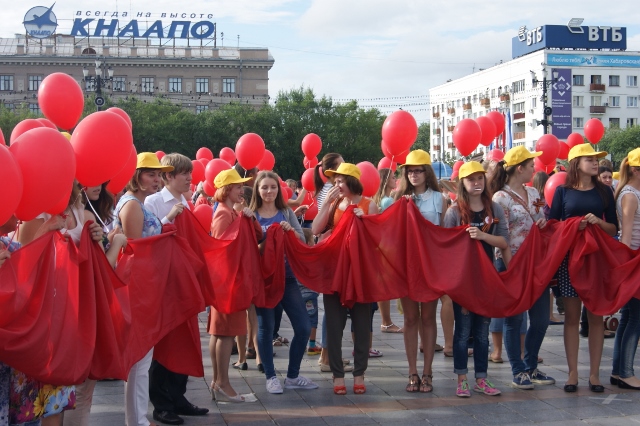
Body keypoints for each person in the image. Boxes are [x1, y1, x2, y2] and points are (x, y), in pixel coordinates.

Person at [18, 181, 106, 426]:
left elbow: (94, 265)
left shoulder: (82, 212)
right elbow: (23, 267)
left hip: (72, 312)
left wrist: (97, 240)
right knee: (41, 397)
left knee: (63, 394)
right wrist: (45, 230)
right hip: (44, 317)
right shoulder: (36, 215)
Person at [143, 153, 209, 425]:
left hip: (184, 282)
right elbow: (149, 239)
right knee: (165, 343)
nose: (189, 178)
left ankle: (178, 397)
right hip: (164, 284)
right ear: (169, 176)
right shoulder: (153, 202)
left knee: (186, 339)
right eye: (184, 174)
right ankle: (162, 404)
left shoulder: (187, 201)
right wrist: (169, 217)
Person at [549, 144, 618, 393]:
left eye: (596, 159)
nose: (595, 162)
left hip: (596, 259)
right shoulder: (562, 191)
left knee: (595, 317)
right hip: (570, 260)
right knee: (571, 317)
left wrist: (598, 222)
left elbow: (614, 229)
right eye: (589, 159)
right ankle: (572, 373)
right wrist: (572, 226)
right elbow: (552, 226)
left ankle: (595, 375)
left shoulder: (605, 191)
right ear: (576, 163)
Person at [113, 153, 174, 426]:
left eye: (159, 175)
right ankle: (136, 420)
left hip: (145, 286)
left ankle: (138, 418)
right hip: (137, 288)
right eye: (151, 174)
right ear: (136, 176)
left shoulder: (135, 203)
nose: (157, 180)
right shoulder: (132, 206)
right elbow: (135, 250)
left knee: (142, 358)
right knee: (139, 358)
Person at [489, 146, 556, 390]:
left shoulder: (533, 192)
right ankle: (518, 370)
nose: (534, 169)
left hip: (535, 262)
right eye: (531, 166)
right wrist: (512, 268)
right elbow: (502, 233)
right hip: (511, 262)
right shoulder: (500, 198)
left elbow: (543, 219)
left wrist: (543, 222)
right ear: (520, 168)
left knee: (540, 319)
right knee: (514, 318)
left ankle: (531, 365)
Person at [312, 163, 378, 395]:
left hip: (361, 274)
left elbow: (380, 239)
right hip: (334, 272)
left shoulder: (369, 204)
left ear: (352, 181)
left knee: (362, 325)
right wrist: (327, 205)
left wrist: (367, 220)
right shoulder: (334, 204)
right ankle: (337, 375)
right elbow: (315, 230)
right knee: (334, 324)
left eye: (340, 181)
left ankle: (359, 374)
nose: (335, 185)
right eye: (334, 181)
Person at [444, 161, 509, 398]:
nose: (477, 183)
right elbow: (446, 250)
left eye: (480, 178)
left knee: (482, 332)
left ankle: (482, 378)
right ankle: (462, 379)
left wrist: (482, 236)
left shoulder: (495, 209)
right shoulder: (454, 212)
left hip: (486, 279)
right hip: (463, 282)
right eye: (471, 179)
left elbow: (503, 242)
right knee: (462, 332)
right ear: (462, 182)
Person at [250, 171, 318, 394]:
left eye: (273, 187)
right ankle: (270, 376)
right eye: (264, 187)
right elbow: (249, 251)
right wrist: (267, 239)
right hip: (264, 279)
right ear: (258, 190)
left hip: (288, 277)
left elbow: (301, 238)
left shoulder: (286, 212)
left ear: (279, 190)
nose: (269, 191)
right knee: (267, 328)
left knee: (303, 326)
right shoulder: (252, 216)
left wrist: (289, 232)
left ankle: (292, 375)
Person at [392, 150, 447, 393]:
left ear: (427, 172)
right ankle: (412, 371)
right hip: (407, 265)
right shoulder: (399, 198)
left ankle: (428, 372)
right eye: (410, 170)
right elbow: (390, 231)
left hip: (431, 265)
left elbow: (444, 233)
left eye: (418, 170)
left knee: (428, 317)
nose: (414, 174)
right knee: (410, 318)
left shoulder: (439, 198)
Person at [208, 168, 262, 403]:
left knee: (219, 333)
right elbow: (222, 251)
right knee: (225, 334)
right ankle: (223, 383)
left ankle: (219, 382)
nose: (242, 190)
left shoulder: (229, 211)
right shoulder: (224, 214)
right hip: (227, 283)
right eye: (238, 186)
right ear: (227, 189)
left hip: (225, 283)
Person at [312, 153, 352, 373]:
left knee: (336, 310)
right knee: (332, 309)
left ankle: (330, 354)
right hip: (332, 256)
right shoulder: (331, 193)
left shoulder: (334, 192)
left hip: (341, 258)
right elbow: (320, 226)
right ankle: (327, 356)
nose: (338, 182)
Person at [611, 148, 640, 390]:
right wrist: (626, 267)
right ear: (635, 170)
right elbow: (627, 234)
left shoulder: (632, 191)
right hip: (634, 259)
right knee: (635, 318)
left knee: (630, 317)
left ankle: (619, 371)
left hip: (634, 259)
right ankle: (626, 372)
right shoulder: (630, 195)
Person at [373, 168, 403, 334]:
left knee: (382, 282)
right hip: (388, 244)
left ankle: (386, 321)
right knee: (385, 283)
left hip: (380, 244)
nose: (395, 179)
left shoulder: (378, 199)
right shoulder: (387, 201)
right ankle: (386, 322)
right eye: (393, 177)